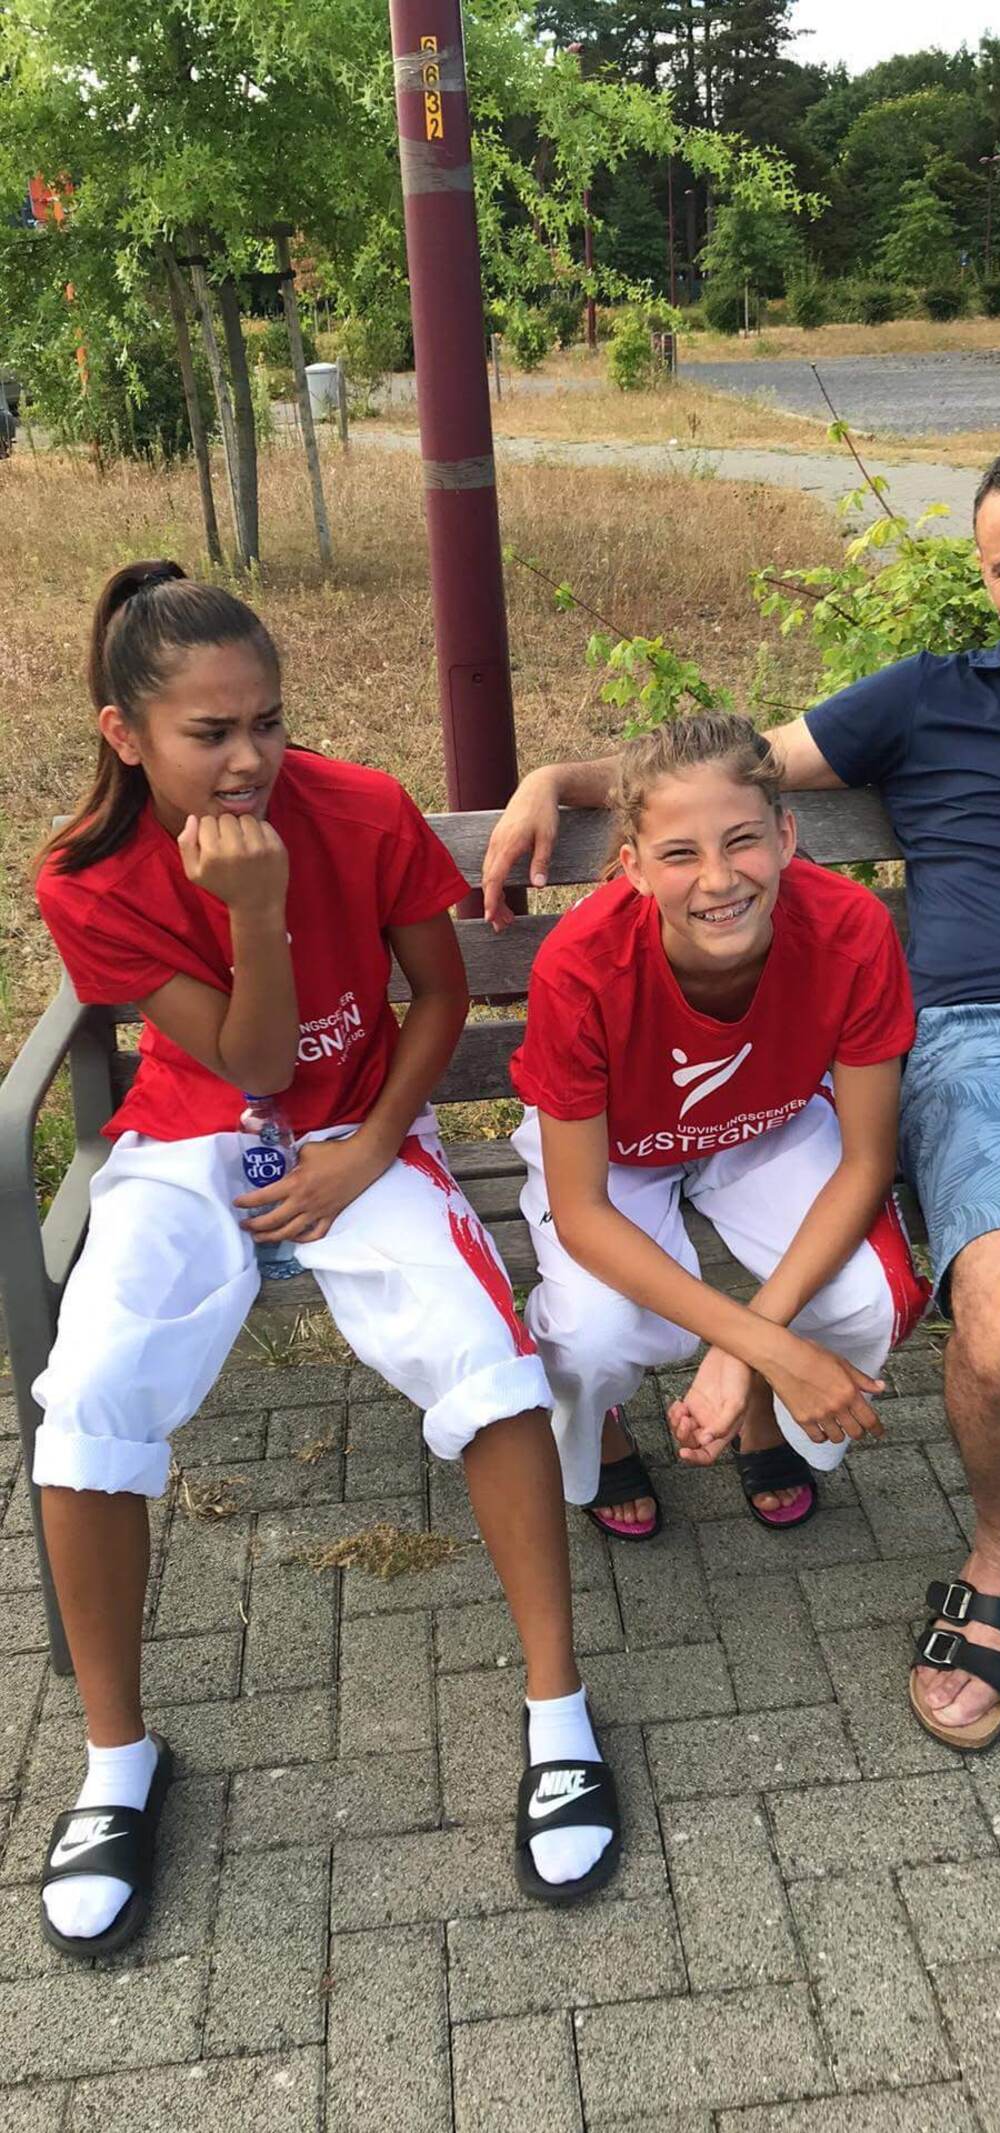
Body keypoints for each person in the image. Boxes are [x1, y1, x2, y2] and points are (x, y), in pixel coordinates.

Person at [482, 439, 1000, 1751]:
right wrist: (558, 782)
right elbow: (730, 777)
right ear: (984, 576)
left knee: (860, 1294)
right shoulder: (928, 698)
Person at [31, 561, 620, 1957]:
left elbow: (440, 994)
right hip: (190, 1138)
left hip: (362, 1128)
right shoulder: (85, 874)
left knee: (488, 1364)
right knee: (90, 1396)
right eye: (209, 733)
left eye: (268, 723)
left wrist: (368, 1152)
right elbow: (244, 1064)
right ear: (127, 733)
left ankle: (559, 1716)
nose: (250, 760)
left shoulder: (356, 808)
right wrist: (253, 910)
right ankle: (116, 1763)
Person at [507, 710, 930, 1540]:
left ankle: (763, 1406)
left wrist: (745, 1351)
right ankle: (600, 1427)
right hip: (620, 1147)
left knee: (871, 1299)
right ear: (632, 867)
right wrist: (768, 1339)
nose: (719, 879)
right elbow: (583, 1210)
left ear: (785, 835)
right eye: (679, 854)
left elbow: (867, 1161)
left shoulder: (850, 928)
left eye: (742, 841)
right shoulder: (581, 965)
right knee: (594, 1334)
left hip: (765, 1123)